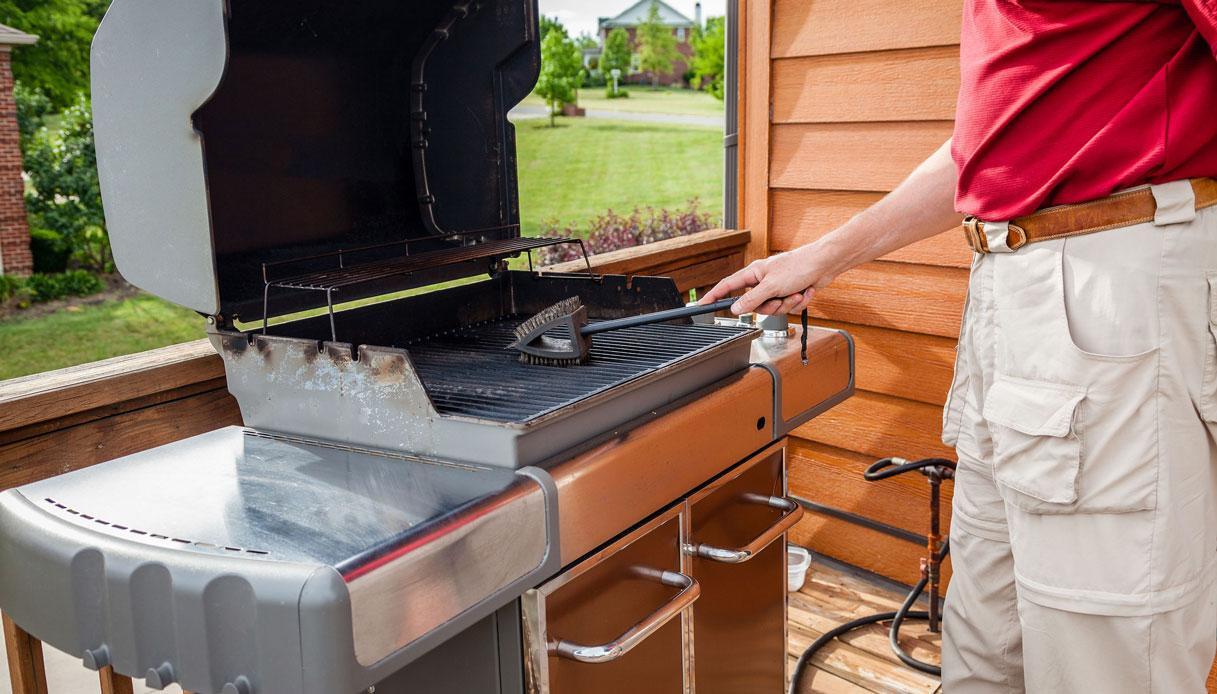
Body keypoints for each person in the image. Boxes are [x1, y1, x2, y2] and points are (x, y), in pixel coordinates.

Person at [700, 1, 1217, 690]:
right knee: (981, 636)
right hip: (1008, 289)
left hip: (1106, 290)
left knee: (1103, 656)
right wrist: (822, 257)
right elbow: (985, 154)